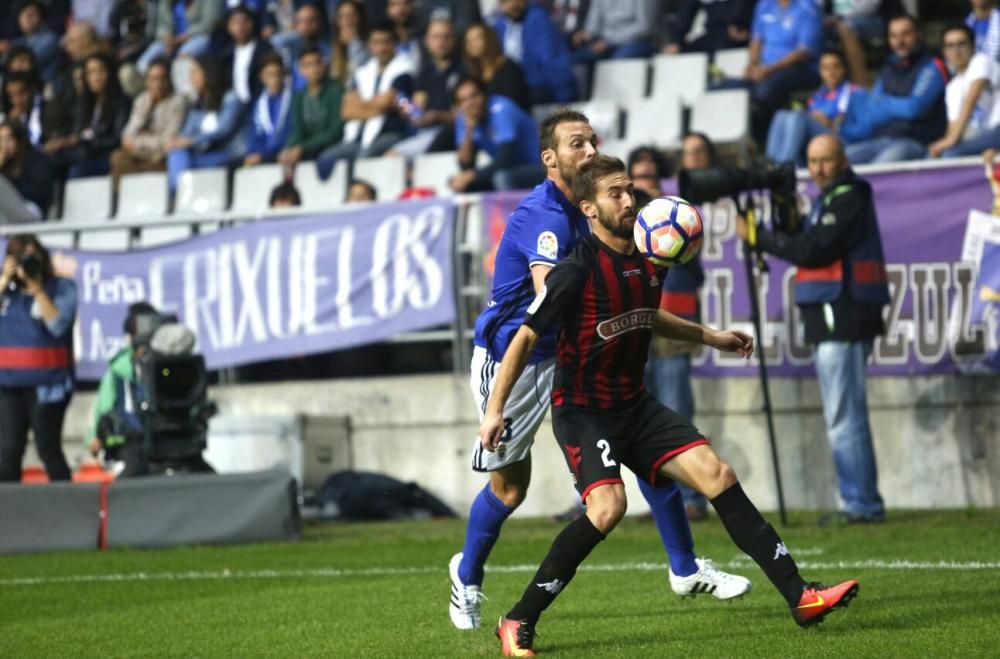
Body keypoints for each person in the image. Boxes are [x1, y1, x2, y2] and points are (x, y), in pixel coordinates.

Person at [483, 155, 860, 655]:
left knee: (718, 475)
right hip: (584, 409)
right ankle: (518, 619)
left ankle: (801, 597)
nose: (628, 200)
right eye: (615, 193)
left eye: (629, 191)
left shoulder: (648, 258)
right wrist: (494, 409)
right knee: (608, 508)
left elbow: (647, 315)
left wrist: (711, 337)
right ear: (589, 209)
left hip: (635, 406)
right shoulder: (575, 269)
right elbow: (526, 336)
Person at [448, 109, 750, 633]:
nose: (588, 151)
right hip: (517, 359)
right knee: (510, 490)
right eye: (575, 144)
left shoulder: (607, 207)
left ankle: (685, 568)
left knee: (647, 446)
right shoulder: (541, 217)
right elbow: (549, 297)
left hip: (575, 357)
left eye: (592, 141)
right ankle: (467, 573)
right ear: (551, 159)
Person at [736, 134, 887, 526]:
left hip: (843, 312)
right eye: (813, 161)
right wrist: (782, 208)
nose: (818, 169)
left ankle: (860, 504)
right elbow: (805, 236)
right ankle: (863, 501)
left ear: (843, 159)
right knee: (846, 411)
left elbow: (814, 249)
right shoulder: (830, 197)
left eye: (826, 160)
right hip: (833, 312)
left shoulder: (851, 194)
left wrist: (759, 238)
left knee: (843, 414)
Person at [634, 136, 710, 521]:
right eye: (638, 178)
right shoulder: (628, 226)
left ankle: (693, 498)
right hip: (637, 335)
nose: (645, 184)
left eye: (651, 177)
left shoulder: (679, 219)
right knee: (645, 419)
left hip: (673, 332)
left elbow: (695, 272)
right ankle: (665, 500)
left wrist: (668, 238)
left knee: (678, 413)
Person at [0, 234, 77, 483]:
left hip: (48, 385)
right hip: (8, 384)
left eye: (33, 256)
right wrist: (4, 280)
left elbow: (58, 325)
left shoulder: (61, 288)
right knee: (8, 451)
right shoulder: (6, 292)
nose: (28, 262)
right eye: (22, 257)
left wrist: (37, 290)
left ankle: (67, 506)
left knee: (48, 449)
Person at [844, 14, 948, 165]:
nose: (899, 42)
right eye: (894, 36)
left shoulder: (933, 65)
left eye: (906, 34)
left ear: (918, 35)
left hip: (916, 141)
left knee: (878, 168)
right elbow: (872, 109)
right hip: (881, 138)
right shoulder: (888, 68)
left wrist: (884, 103)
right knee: (839, 161)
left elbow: (914, 108)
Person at [316, 21, 414, 178]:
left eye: (386, 42)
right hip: (357, 138)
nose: (381, 48)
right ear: (370, 46)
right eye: (376, 42)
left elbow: (389, 102)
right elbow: (347, 111)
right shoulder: (362, 72)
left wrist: (362, 106)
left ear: (394, 44)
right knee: (325, 159)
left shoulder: (404, 70)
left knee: (364, 158)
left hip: (390, 133)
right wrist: (378, 106)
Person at [739, 0, 824, 145]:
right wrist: (752, 65)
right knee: (729, 87)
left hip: (801, 69)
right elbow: (756, 40)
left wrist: (768, 69)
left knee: (765, 91)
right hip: (766, 70)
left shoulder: (808, 7)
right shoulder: (764, 4)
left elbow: (804, 52)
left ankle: (767, 143)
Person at [766, 49, 867, 167]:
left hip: (842, 141)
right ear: (820, 71)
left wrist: (832, 125)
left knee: (799, 117)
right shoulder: (817, 96)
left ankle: (785, 164)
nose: (831, 72)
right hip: (817, 142)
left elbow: (864, 131)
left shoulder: (857, 93)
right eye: (826, 68)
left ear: (844, 68)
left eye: (836, 66)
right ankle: (772, 164)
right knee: (781, 114)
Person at [165, 55, 247, 196]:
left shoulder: (231, 98)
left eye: (195, 72)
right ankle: (179, 192)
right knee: (177, 152)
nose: (191, 77)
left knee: (180, 156)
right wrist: (176, 142)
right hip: (204, 155)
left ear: (209, 73)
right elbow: (186, 133)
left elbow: (223, 129)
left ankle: (178, 194)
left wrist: (190, 141)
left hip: (228, 154)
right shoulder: (198, 105)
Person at [448, 75, 545, 193]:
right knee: (461, 184)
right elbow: (465, 165)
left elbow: (506, 158)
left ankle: (514, 212)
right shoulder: (464, 118)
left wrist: (471, 176)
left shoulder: (501, 109)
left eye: (474, 96)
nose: (470, 103)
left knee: (502, 178)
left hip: (539, 166)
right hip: (510, 170)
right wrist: (469, 131)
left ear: (485, 95)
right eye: (463, 101)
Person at [46, 52, 132, 179]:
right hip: (84, 153)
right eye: (91, 72)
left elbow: (117, 139)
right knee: (49, 161)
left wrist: (87, 141)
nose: (96, 77)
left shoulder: (121, 102)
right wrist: (63, 142)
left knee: (77, 171)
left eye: (101, 71)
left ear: (111, 73)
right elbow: (78, 133)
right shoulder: (84, 103)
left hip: (106, 155)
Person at [110, 57, 188, 191]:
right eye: (153, 79)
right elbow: (127, 136)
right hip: (142, 156)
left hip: (161, 158)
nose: (158, 84)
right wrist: (147, 109)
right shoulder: (142, 100)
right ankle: (118, 202)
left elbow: (169, 140)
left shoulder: (178, 101)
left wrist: (141, 139)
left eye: (162, 78)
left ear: (169, 80)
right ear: (146, 81)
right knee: (117, 157)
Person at [929, 24, 1000, 158]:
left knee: (952, 154)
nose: (956, 51)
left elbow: (972, 98)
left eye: (961, 44)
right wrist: (941, 145)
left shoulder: (981, 60)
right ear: (944, 52)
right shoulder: (952, 87)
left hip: (997, 130)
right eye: (950, 46)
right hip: (984, 135)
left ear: (973, 46)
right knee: (933, 155)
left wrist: (951, 141)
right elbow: (953, 128)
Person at [492, 0, 577, 105]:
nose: (513, 4)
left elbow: (554, 61)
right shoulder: (499, 25)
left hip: (538, 87)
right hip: (511, 88)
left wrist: (564, 98)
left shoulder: (538, 20)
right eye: (506, 1)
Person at [277, 46, 345, 173]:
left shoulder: (336, 90)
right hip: (308, 149)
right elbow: (297, 131)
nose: (314, 69)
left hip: (331, 146)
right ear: (301, 70)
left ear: (324, 65)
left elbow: (336, 131)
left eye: (317, 63)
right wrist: (288, 148)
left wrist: (303, 147)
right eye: (308, 65)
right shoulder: (299, 97)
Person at [136, 0, 225, 73]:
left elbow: (210, 24)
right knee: (143, 64)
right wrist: (167, 37)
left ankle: (185, 93)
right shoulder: (166, 2)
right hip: (171, 41)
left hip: (200, 37)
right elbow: (161, 24)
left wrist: (179, 40)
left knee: (181, 62)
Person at [462, 22, 530, 111]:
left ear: (489, 39)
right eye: (468, 41)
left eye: (477, 38)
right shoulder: (473, 74)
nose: (472, 44)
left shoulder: (508, 68)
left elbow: (510, 105)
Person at [243, 52, 293, 167]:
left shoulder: (292, 100)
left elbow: (291, 132)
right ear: (262, 77)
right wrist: (254, 153)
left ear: (284, 75)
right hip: (263, 155)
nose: (275, 79)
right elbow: (255, 135)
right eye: (270, 75)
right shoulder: (258, 105)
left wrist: (264, 155)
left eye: (278, 74)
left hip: (283, 152)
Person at [571, 0, 657, 65]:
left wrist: (609, 41)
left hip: (635, 40)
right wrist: (585, 34)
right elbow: (593, 26)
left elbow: (644, 27)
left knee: (619, 59)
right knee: (572, 59)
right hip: (604, 42)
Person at [0, 120, 51, 222]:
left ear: (19, 140)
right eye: (1, 140)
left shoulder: (35, 158)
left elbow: (40, 191)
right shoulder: (5, 162)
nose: (4, 145)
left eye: (8, 139)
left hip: (30, 207)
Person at [664, 0, 753, 54]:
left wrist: (738, 24)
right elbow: (686, 12)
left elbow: (744, 7)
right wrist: (676, 40)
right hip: (712, 34)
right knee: (683, 52)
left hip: (740, 33)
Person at [329, 0, 369, 84]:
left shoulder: (369, 45)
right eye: (342, 16)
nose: (347, 20)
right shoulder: (333, 48)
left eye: (351, 15)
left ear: (360, 17)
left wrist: (354, 43)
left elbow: (360, 72)